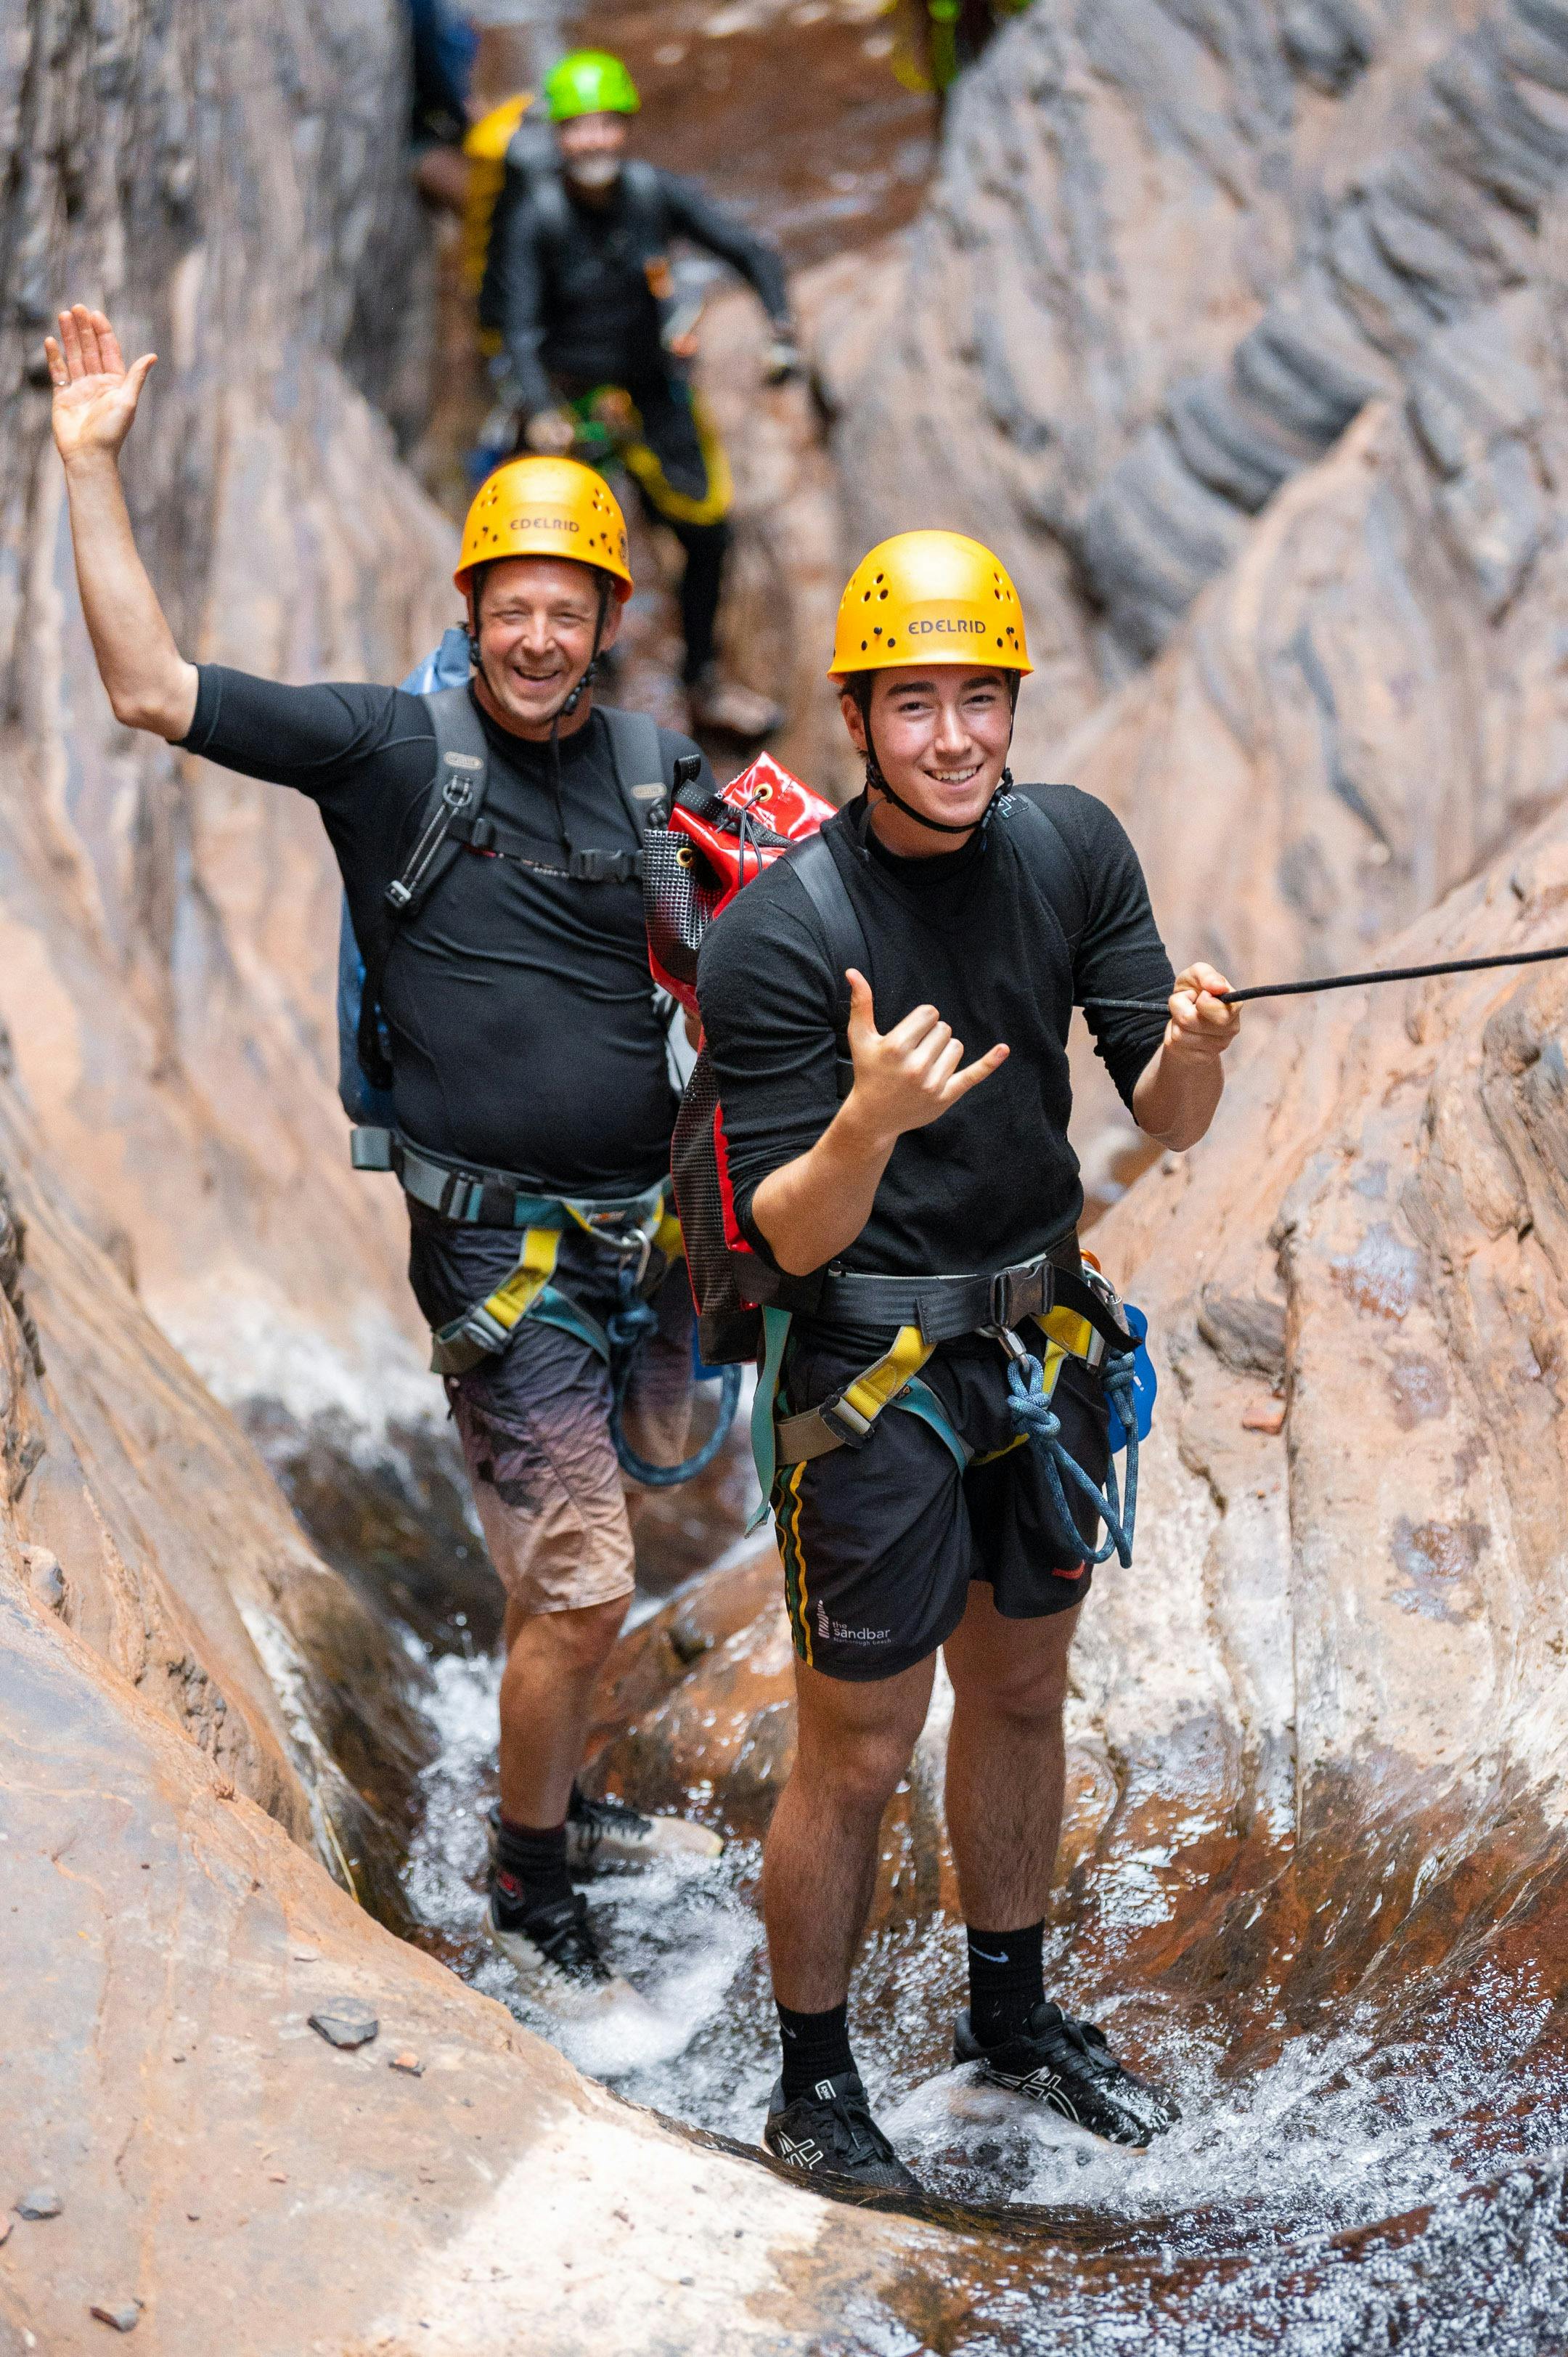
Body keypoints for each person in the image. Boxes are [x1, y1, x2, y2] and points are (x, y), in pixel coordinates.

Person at [45, 303, 723, 2025]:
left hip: (639, 1247)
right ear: (470, 607)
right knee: (582, 1570)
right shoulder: (388, 751)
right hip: (496, 1250)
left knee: (595, 1533)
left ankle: (550, 1778)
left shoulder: (660, 772)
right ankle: (522, 1878)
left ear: (609, 624)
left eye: (572, 610)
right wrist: (87, 468)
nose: (542, 636)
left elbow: (785, 928)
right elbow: (149, 688)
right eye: (517, 607)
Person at [695, 530, 1242, 2189]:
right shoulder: (782, 937)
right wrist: (869, 1115)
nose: (950, 733)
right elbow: (786, 1232)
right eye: (912, 701)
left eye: (977, 698)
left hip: (1035, 1338)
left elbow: (1162, 1111)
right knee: (855, 1741)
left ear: (1010, 704)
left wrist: (1200, 1049)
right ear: (856, 719)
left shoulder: (1069, 848)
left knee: (1020, 1687)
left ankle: (1006, 2014)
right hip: (865, 1371)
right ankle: (812, 2075)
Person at [481, 48, 796, 741]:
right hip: (572, 404)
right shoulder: (537, 216)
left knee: (710, 533)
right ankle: (582, 684)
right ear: (559, 137)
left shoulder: (652, 194)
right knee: (567, 552)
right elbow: (520, 328)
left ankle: (704, 678)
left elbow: (749, 249)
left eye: (605, 124)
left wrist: (780, 326)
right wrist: (539, 411)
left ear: (624, 126)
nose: (593, 140)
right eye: (578, 127)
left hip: (651, 389)